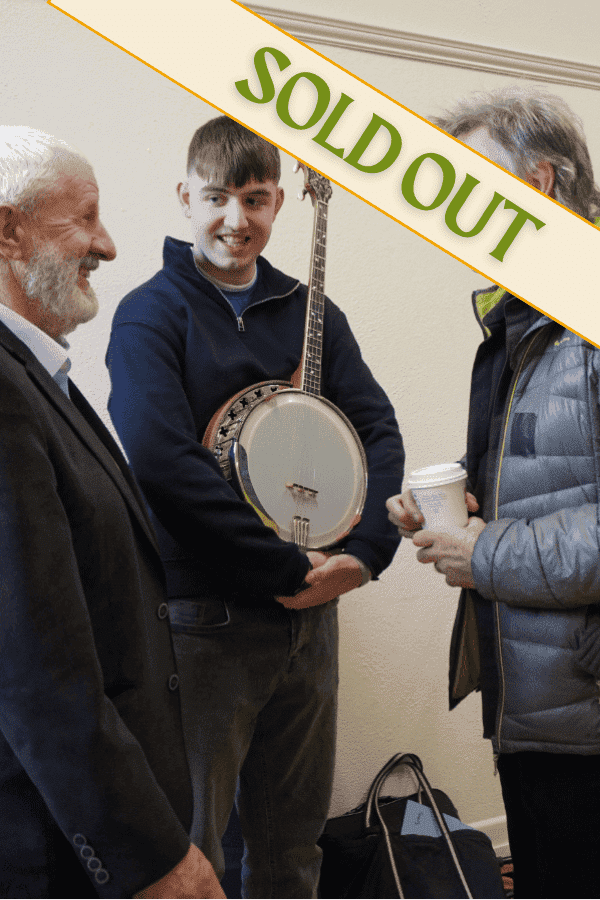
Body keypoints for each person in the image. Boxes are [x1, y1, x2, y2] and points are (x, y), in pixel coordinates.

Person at [106, 115, 405, 898]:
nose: (235, 220)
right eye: (217, 197)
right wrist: (282, 567)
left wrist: (364, 556)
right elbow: (163, 462)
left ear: (277, 202)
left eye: (255, 199)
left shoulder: (312, 313)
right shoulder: (150, 313)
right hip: (203, 621)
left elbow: (375, 430)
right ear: (185, 197)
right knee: (194, 847)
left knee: (291, 844)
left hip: (312, 614)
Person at [387, 88, 600, 899]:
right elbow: (559, 466)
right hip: (537, 706)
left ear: (539, 183)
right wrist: (457, 498)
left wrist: (487, 551)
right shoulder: (527, 320)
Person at [0, 126, 224, 899]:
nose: (108, 245)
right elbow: (36, 668)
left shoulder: (37, 374)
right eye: (85, 218)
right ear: (8, 231)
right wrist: (149, 858)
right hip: (54, 845)